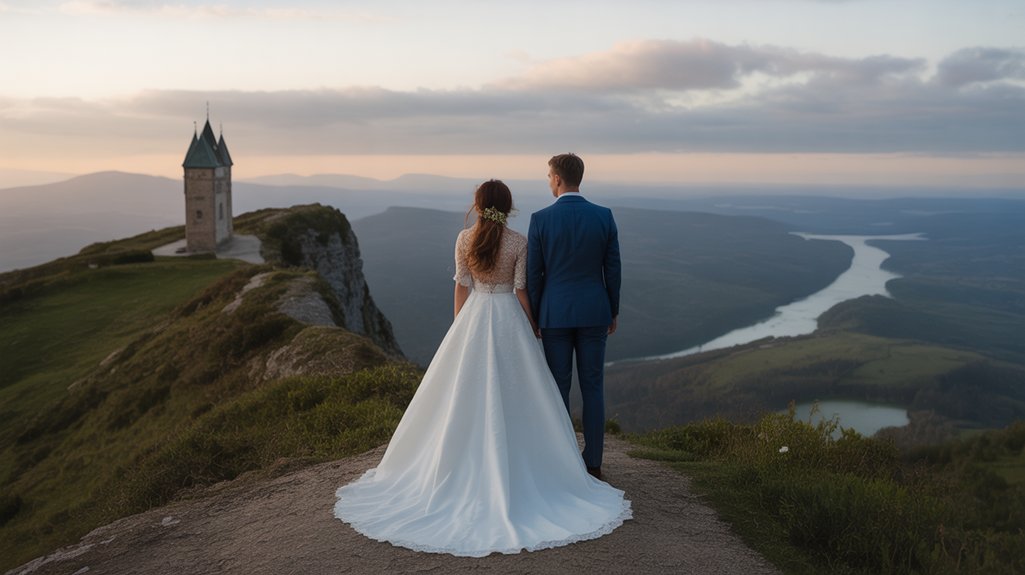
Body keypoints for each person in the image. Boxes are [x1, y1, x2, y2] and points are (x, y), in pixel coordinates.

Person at [334, 179, 631, 557]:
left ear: (478, 205)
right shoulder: (519, 241)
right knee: (525, 390)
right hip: (508, 315)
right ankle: (559, 458)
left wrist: (460, 324)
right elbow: (523, 288)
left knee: (464, 391)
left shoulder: (463, 239)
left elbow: (461, 285)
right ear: (507, 207)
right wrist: (533, 324)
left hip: (474, 316)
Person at [527, 154, 621, 480]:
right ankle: (593, 462)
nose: (548, 181)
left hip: (555, 315)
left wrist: (536, 315)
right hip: (595, 311)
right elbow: (613, 270)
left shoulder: (540, 219)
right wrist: (613, 310)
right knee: (593, 387)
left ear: (556, 178)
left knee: (558, 389)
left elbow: (534, 275)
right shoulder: (604, 216)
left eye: (548, 176)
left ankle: (563, 460)